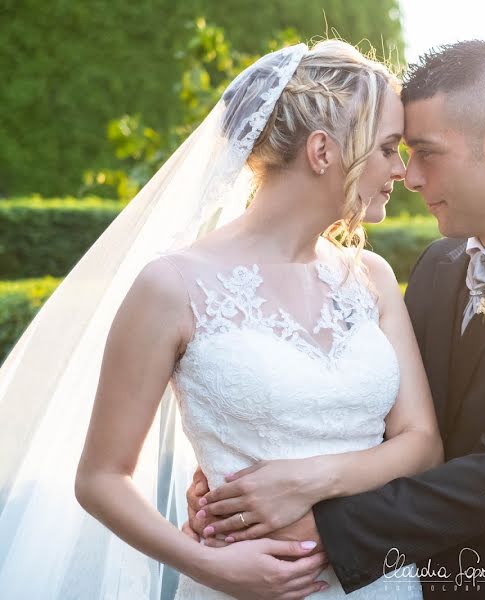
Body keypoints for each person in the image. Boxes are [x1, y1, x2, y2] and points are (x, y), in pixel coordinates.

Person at [185, 40, 485, 599]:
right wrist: (242, 471)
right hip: (391, 576)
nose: (409, 177)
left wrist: (320, 526)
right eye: (400, 152)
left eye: (427, 153)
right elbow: (376, 409)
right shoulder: (438, 264)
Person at [72, 39, 442, 599]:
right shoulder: (171, 286)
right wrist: (208, 566)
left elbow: (422, 444)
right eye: (389, 147)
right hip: (241, 584)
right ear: (323, 152)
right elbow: (100, 479)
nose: (401, 168)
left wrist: (310, 479)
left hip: (379, 582)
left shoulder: (372, 278)